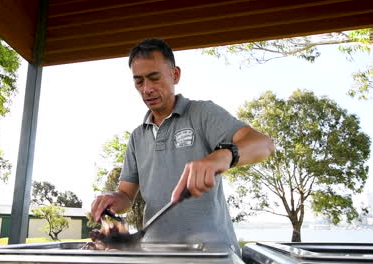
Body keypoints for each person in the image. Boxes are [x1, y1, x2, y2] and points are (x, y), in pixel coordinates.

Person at [91, 38, 274, 254]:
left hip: (211, 254)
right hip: (156, 254)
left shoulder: (203, 114)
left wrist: (222, 156)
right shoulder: (137, 136)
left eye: (154, 78)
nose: (147, 89)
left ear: (175, 74)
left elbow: (264, 144)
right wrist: (113, 199)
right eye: (139, 81)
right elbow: (126, 195)